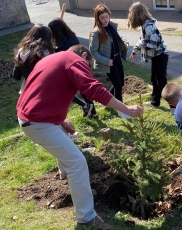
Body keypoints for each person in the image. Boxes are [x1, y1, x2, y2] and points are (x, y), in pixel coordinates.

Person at [16, 44, 143, 226]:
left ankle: (64, 175)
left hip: (30, 116)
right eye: (88, 64)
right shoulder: (73, 60)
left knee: (65, 145)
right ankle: (86, 219)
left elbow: (44, 92)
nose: (86, 69)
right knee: (77, 162)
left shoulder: (53, 58)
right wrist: (126, 108)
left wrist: (60, 120)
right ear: (84, 55)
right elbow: (93, 90)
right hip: (37, 122)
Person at [127, 2, 173, 113]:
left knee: (161, 81)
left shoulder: (148, 26)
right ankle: (155, 101)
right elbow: (143, 41)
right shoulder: (145, 25)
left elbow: (154, 44)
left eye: (131, 14)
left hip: (160, 56)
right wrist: (135, 51)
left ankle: (174, 105)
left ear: (136, 14)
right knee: (155, 79)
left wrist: (142, 43)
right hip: (157, 56)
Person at [48, 17, 96, 119]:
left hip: (70, 70)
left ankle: (86, 106)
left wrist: (52, 48)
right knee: (84, 90)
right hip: (81, 66)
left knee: (64, 91)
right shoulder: (72, 37)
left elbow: (57, 55)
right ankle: (93, 112)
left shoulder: (60, 45)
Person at [89, 4, 129, 117]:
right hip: (109, 63)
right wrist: (107, 61)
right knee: (117, 86)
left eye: (107, 16)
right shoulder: (96, 32)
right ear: (97, 18)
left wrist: (125, 42)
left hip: (117, 60)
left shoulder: (111, 26)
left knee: (120, 83)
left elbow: (118, 37)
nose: (105, 20)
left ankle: (107, 102)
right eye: (102, 18)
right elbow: (93, 51)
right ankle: (122, 110)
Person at [13, 24, 54, 94]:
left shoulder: (22, 51)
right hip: (47, 87)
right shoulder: (48, 54)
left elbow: (16, 75)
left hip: (30, 89)